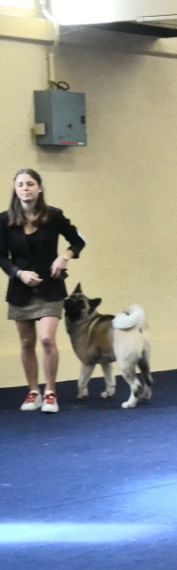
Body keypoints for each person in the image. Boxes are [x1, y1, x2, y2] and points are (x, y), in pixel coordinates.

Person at [0, 169, 87, 413]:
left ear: (39, 188)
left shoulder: (54, 216)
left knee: (47, 339)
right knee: (27, 342)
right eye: (20, 184)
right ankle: (33, 391)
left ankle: (50, 392)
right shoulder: (4, 220)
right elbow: (1, 256)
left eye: (30, 184)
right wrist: (18, 273)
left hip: (51, 286)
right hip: (20, 288)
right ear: (15, 189)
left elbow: (78, 241)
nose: (25, 188)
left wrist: (64, 257)